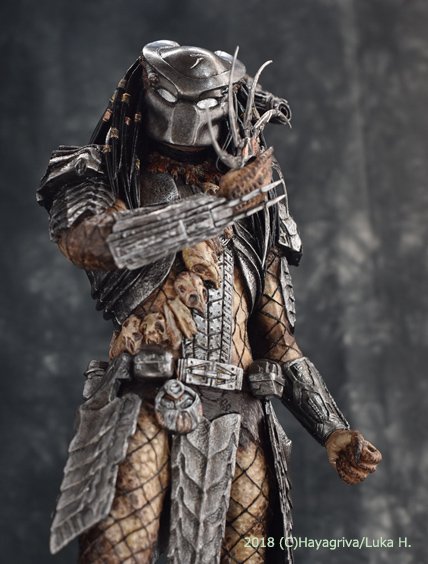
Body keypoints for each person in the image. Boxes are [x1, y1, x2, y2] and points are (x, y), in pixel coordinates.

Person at [38, 40, 382, 564]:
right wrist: (216, 209)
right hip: (143, 404)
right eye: (173, 97)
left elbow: (276, 340)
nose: (189, 116)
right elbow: (92, 241)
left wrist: (332, 429)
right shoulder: (100, 169)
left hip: (242, 415)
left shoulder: (257, 199)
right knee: (118, 551)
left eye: (207, 101)